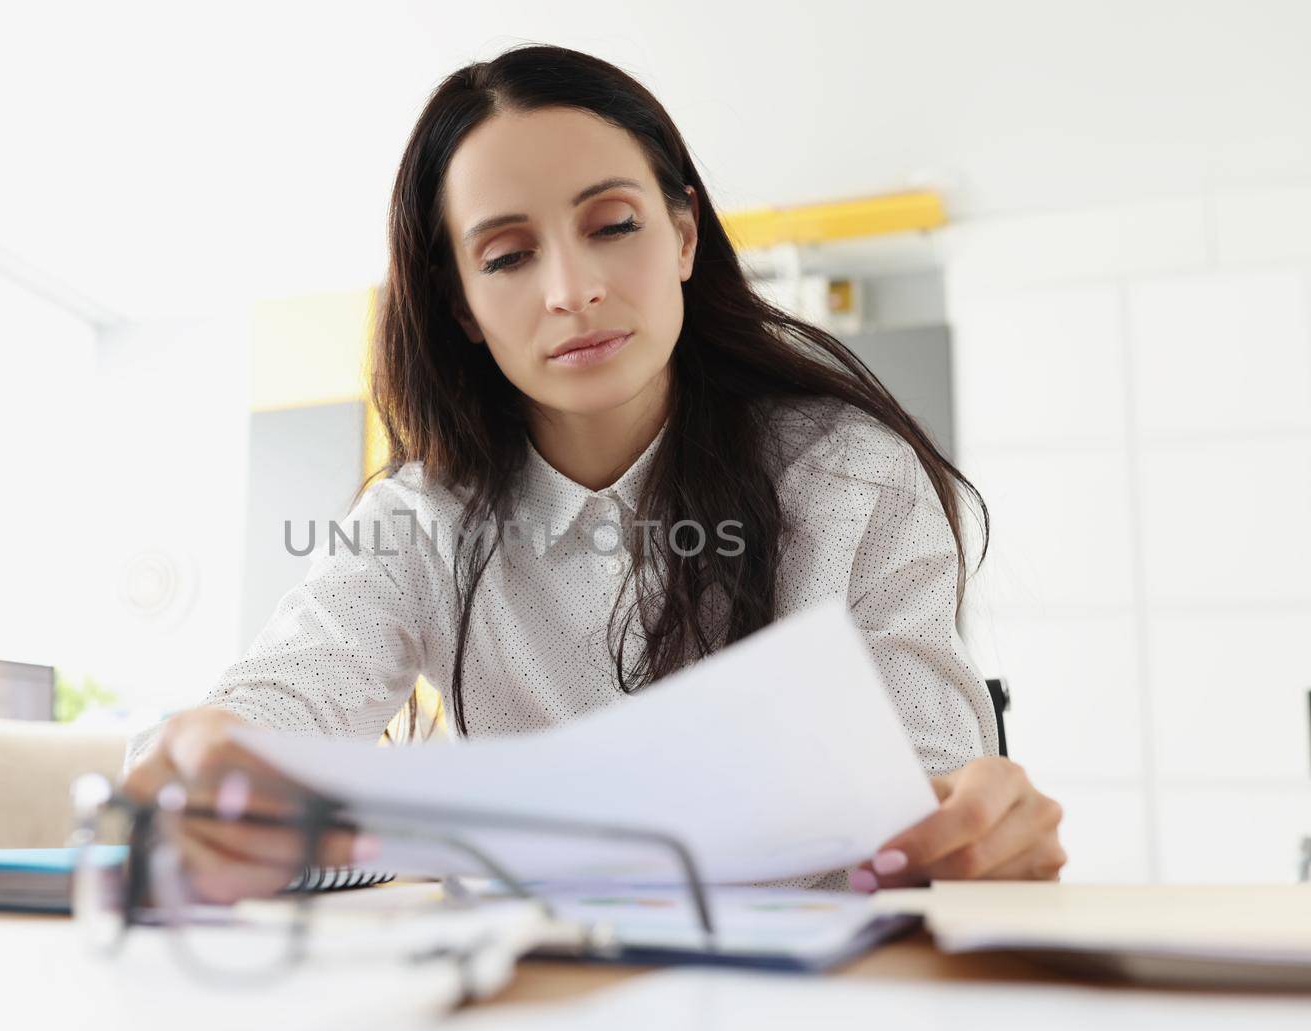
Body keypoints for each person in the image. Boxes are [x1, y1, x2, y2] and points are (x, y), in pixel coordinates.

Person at [123, 43, 1066, 902]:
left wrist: (976, 832)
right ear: (461, 306)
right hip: (531, 988)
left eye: (612, 224)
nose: (571, 290)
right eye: (508, 255)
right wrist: (210, 753)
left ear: (685, 234)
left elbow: (935, 792)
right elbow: (288, 691)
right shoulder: (418, 519)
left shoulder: (852, 476)